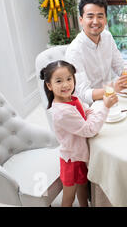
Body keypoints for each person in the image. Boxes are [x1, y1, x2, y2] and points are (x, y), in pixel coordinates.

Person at [40, 60, 117, 207]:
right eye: (59, 81)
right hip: (72, 160)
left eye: (69, 79)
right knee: (68, 198)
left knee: (83, 188)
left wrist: (92, 116)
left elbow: (87, 110)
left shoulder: (72, 99)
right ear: (49, 86)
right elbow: (89, 130)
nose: (66, 84)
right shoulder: (62, 112)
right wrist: (105, 107)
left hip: (80, 155)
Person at [65, 0, 127, 106]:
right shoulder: (74, 51)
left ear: (105, 19)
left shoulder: (107, 36)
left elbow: (119, 65)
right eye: (90, 16)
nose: (95, 21)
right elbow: (83, 94)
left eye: (100, 16)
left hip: (113, 97)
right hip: (91, 106)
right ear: (81, 20)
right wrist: (112, 88)